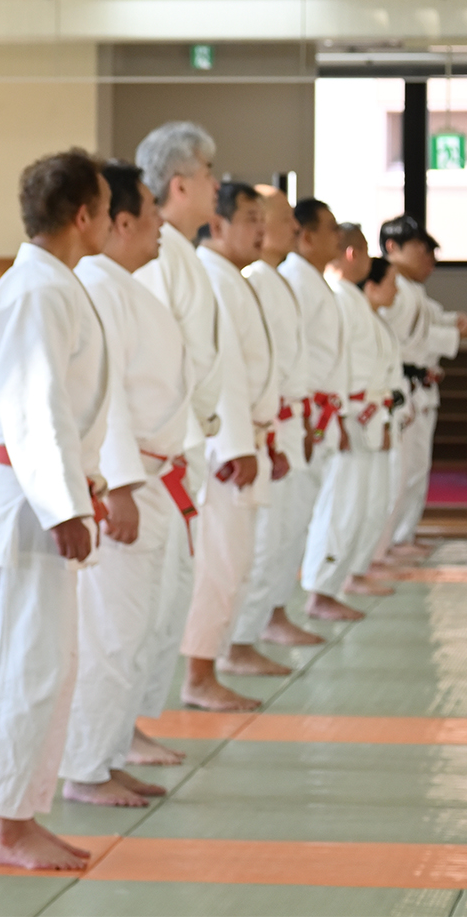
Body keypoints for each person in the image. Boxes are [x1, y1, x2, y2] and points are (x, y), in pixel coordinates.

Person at [0, 148, 111, 870]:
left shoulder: (51, 285)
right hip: (29, 506)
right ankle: (9, 826)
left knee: (48, 663)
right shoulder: (34, 290)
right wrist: (64, 507)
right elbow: (34, 408)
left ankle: (21, 814)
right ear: (83, 215)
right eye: (107, 208)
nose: (113, 222)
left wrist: (79, 493)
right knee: (28, 665)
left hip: (38, 499)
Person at [61, 160, 188, 808]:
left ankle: (111, 749)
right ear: (121, 221)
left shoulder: (127, 285)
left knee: (140, 628)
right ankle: (86, 766)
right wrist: (122, 484)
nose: (162, 223)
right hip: (126, 476)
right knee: (113, 631)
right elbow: (99, 397)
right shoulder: (99, 286)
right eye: (152, 212)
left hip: (152, 471)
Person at [126, 121, 224, 763]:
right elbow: (150, 370)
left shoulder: (179, 255)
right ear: (181, 183)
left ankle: (126, 729)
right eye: (211, 174)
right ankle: (118, 734)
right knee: (139, 609)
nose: (219, 185)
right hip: (154, 456)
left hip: (179, 450)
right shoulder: (158, 257)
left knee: (163, 602)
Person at [225, 185, 325, 667]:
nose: (288, 228)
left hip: (290, 420)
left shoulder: (275, 279)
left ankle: (274, 612)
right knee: (267, 534)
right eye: (279, 219)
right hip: (270, 423)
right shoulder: (257, 280)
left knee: (290, 529)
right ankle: (241, 637)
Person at [186, 185, 278, 707]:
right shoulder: (212, 279)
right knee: (220, 562)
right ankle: (199, 675)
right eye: (250, 218)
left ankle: (214, 661)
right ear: (217, 225)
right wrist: (235, 444)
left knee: (237, 560)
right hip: (226, 447)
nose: (260, 230)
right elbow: (224, 373)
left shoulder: (231, 278)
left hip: (248, 437)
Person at [302, 228, 398, 619]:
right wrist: (338, 418)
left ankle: (349, 574)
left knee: (367, 505)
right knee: (340, 506)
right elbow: (333, 366)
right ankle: (319, 591)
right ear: (349, 253)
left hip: (368, 416)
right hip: (348, 417)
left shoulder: (354, 301)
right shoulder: (338, 299)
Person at [378, 217, 467, 556]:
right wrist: (455, 334)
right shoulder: (387, 286)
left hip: (418, 390)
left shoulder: (412, 291)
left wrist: (455, 322)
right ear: (392, 247)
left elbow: (433, 319)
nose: (429, 260)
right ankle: (387, 543)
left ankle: (404, 535)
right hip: (399, 386)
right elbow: (405, 340)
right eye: (422, 251)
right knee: (398, 471)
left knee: (415, 469)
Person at [280, 199, 347, 629]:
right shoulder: (295, 281)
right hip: (303, 413)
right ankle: (272, 615)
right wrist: (305, 417)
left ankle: (282, 609)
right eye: (330, 229)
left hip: (320, 412)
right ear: (306, 236)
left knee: (306, 513)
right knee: (289, 518)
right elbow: (292, 358)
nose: (337, 239)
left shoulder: (313, 281)